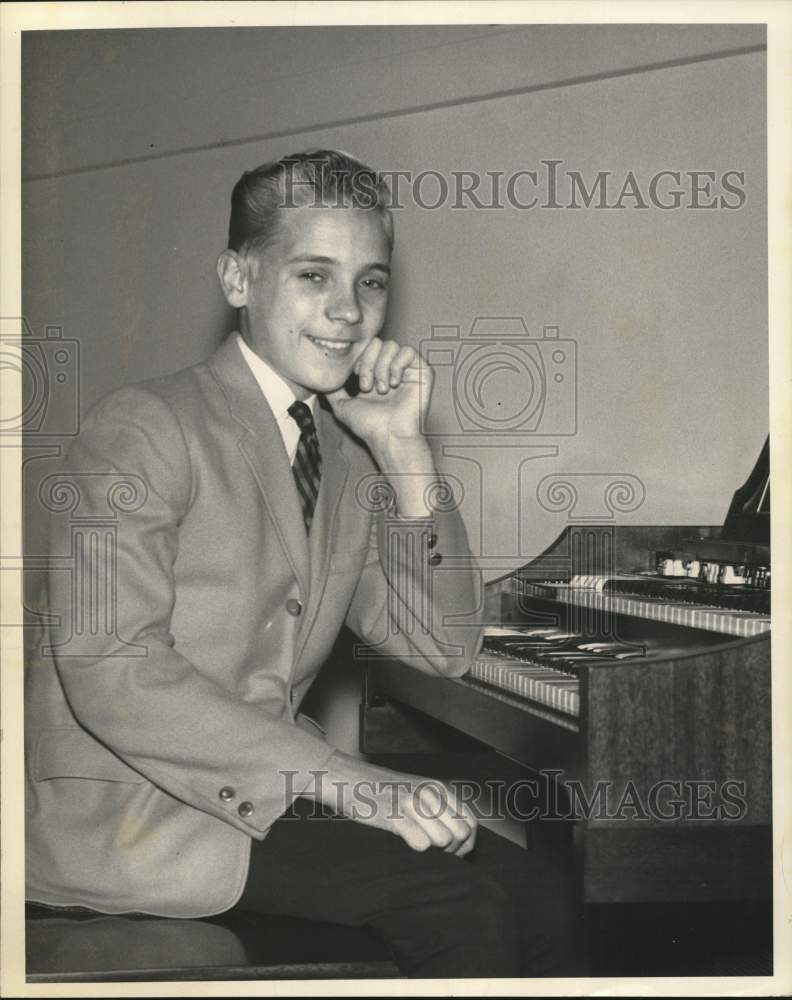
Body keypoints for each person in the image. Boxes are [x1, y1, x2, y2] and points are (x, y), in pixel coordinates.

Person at [25, 150, 579, 978]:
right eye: (314, 276)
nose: (349, 312)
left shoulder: (346, 455)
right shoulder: (141, 427)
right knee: (460, 910)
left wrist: (405, 455)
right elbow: (111, 670)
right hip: (136, 816)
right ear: (238, 280)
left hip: (269, 798)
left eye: (371, 282)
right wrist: (349, 780)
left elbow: (444, 648)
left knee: (543, 898)